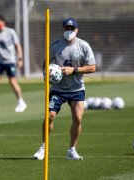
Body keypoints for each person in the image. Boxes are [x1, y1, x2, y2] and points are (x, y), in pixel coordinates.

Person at [33, 17, 96, 160]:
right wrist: (46, 75)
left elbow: (92, 67)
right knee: (49, 116)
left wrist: (74, 70)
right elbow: (46, 62)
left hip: (76, 89)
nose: (69, 31)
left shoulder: (83, 46)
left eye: (72, 29)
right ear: (63, 29)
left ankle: (72, 150)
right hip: (58, 90)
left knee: (78, 118)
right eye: (67, 29)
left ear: (77, 30)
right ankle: (43, 147)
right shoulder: (55, 45)